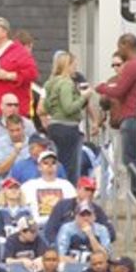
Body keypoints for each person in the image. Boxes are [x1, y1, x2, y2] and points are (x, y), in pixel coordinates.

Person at [95, 34, 136, 197]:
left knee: (129, 159)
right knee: (135, 157)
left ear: (125, 45)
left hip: (131, 116)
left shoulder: (132, 66)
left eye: (120, 47)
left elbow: (119, 91)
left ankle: (135, 193)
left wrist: (102, 88)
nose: (119, 51)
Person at [0, 17, 39, 126]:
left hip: (9, 115)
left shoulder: (18, 51)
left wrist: (7, 75)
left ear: (5, 32)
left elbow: (32, 73)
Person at [41, 51, 92, 181]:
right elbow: (69, 108)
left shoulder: (49, 84)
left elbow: (45, 107)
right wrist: (83, 97)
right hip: (68, 128)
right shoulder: (66, 83)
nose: (75, 68)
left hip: (54, 126)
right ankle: (69, 193)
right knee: (71, 166)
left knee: (57, 161)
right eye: (73, 65)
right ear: (67, 66)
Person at [21, 151, 78, 226]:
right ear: (39, 167)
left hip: (61, 227)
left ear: (57, 166)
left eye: (53, 163)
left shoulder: (67, 185)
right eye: (46, 163)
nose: (50, 166)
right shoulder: (28, 186)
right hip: (36, 228)